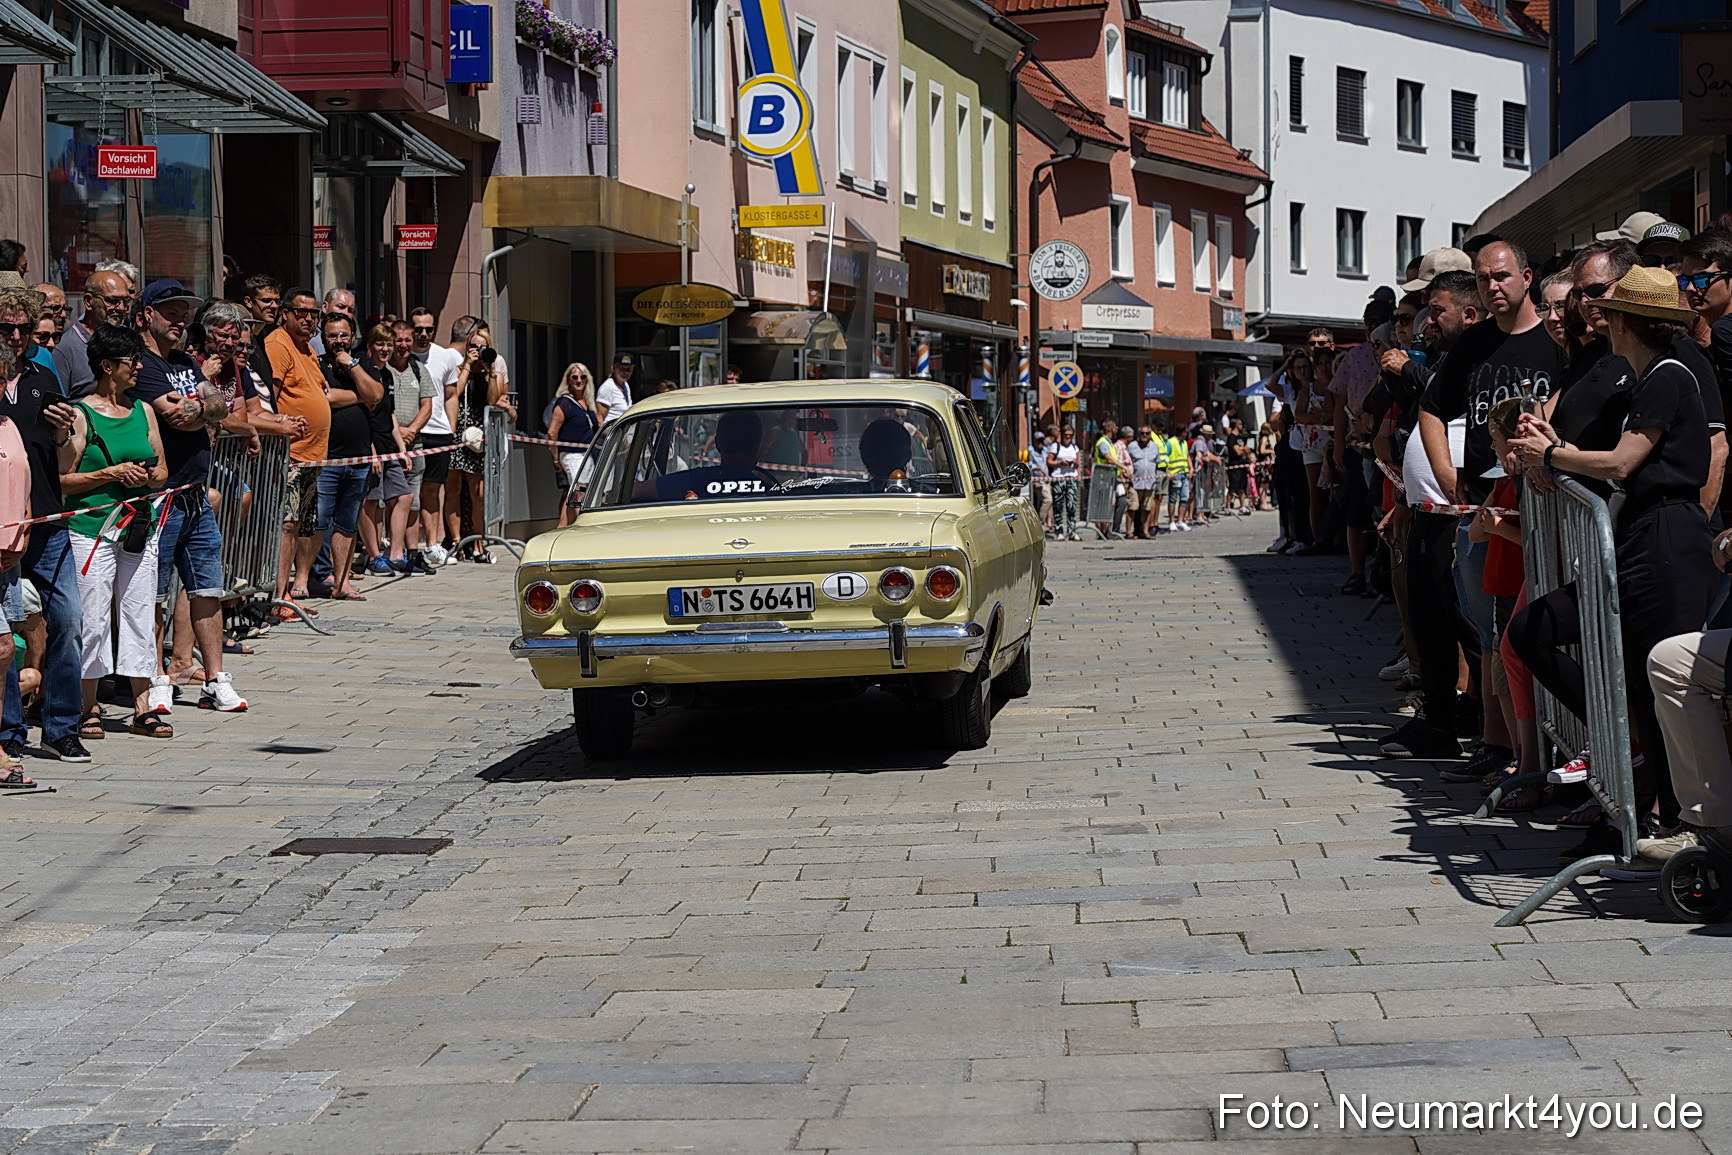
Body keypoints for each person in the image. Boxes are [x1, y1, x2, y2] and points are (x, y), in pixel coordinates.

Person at [129, 280, 249, 714]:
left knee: (206, 588)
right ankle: (158, 676)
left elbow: (220, 408)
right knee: (156, 593)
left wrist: (200, 407)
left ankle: (216, 679)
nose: (180, 320)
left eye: (184, 313)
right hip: (161, 496)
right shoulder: (142, 363)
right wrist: (202, 410)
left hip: (196, 493)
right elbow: (173, 418)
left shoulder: (184, 360)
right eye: (171, 312)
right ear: (146, 315)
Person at [59, 324, 172, 739]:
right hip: (91, 529)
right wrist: (108, 473)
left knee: (140, 612)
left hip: (138, 527)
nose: (139, 368)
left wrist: (147, 476)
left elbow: (161, 470)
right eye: (132, 361)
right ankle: (88, 705)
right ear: (107, 366)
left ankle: (143, 707)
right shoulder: (80, 413)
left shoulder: (142, 410)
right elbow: (62, 480)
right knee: (93, 617)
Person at [266, 288, 333, 619]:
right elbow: (270, 398)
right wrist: (281, 425)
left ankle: (285, 592)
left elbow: (320, 394)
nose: (308, 319)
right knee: (287, 526)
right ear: (285, 314)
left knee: (296, 527)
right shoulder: (279, 344)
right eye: (301, 312)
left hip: (309, 458)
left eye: (313, 314)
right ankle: (279, 597)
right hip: (289, 457)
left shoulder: (306, 349)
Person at [313, 314, 384, 599]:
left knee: (346, 523)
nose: (338, 341)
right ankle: (305, 580)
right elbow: (325, 397)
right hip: (326, 458)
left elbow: (377, 395)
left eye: (344, 335)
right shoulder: (316, 363)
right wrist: (360, 395)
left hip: (358, 460)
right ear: (324, 338)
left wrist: (353, 367)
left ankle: (341, 584)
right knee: (318, 521)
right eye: (332, 336)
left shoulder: (363, 363)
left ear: (352, 336)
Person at [445, 325, 513, 561]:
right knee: (452, 488)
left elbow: (493, 400)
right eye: (473, 346)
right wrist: (467, 366)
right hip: (457, 431)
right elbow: (455, 392)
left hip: (477, 436)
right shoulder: (457, 369)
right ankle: (456, 541)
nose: (477, 350)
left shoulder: (494, 373)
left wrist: (490, 369)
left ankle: (478, 542)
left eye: (483, 347)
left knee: (478, 493)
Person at [368, 319, 430, 574]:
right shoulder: (367, 370)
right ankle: (374, 556)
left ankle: (396, 554)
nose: (386, 348)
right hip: (371, 447)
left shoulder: (386, 373)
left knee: (405, 496)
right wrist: (371, 453)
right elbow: (366, 416)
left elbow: (389, 414)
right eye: (380, 344)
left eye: (389, 344)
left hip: (392, 447)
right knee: (371, 503)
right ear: (370, 345)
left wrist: (403, 450)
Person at [407, 308, 461, 570]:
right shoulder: (400, 354)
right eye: (418, 329)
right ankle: (400, 547)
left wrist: (451, 427)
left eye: (429, 329)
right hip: (409, 431)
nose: (424, 334)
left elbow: (451, 394)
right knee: (405, 492)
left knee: (432, 489)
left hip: (438, 433)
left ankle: (432, 545)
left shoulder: (445, 356)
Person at [54, 270, 132, 401]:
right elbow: (57, 406)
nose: (121, 308)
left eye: (126, 301)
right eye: (113, 301)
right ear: (89, 301)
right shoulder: (66, 348)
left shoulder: (127, 341)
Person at [547, 362, 599, 529]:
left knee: (574, 493)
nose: (579, 380)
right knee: (578, 492)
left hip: (587, 454)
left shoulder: (588, 403)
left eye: (582, 377)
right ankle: (577, 528)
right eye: (574, 377)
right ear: (568, 380)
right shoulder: (564, 402)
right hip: (571, 454)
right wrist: (556, 460)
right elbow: (552, 433)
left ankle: (563, 528)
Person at [1125, 425, 1165, 538]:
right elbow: (1127, 462)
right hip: (1135, 483)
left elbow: (1156, 464)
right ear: (1138, 434)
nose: (1144, 436)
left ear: (1150, 435)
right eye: (1142, 433)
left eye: (1147, 434)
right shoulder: (1132, 446)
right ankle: (1128, 532)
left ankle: (1145, 531)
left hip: (1149, 483)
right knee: (1132, 508)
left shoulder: (1155, 447)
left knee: (1147, 509)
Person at [1086, 420, 1121, 538]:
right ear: (1111, 429)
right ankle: (1101, 532)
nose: (1116, 429)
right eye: (1115, 427)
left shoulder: (1109, 442)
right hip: (1102, 479)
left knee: (1107, 506)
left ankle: (1105, 531)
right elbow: (1109, 459)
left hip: (1109, 478)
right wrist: (1123, 466)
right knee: (1101, 506)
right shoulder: (1103, 443)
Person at [1047, 425, 1081, 540]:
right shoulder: (1055, 447)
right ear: (1061, 434)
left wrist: (1075, 465)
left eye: (1070, 435)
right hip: (1059, 479)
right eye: (1066, 434)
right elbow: (1049, 461)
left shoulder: (1074, 447)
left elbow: (1078, 463)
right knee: (1058, 505)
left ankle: (1071, 531)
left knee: (1071, 505)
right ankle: (1059, 531)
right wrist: (1059, 463)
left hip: (1071, 478)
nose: (1068, 437)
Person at [598, 353, 634, 424]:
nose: (625, 372)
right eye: (622, 369)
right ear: (613, 368)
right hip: (612, 431)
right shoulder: (607, 387)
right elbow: (599, 419)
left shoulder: (626, 385)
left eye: (628, 369)